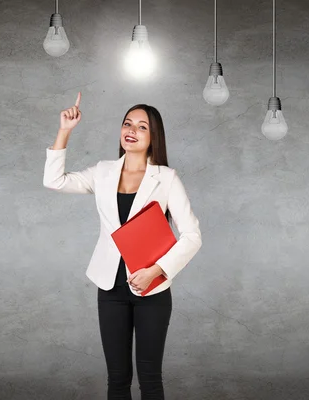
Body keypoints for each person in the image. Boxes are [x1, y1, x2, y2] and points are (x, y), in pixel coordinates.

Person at [43, 92, 202, 400]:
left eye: (142, 127)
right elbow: (54, 181)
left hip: (152, 291)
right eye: (128, 123)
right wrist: (64, 130)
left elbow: (192, 235)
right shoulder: (102, 172)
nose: (132, 130)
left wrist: (156, 270)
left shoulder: (166, 178)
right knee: (117, 379)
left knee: (150, 380)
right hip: (110, 289)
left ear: (154, 136)